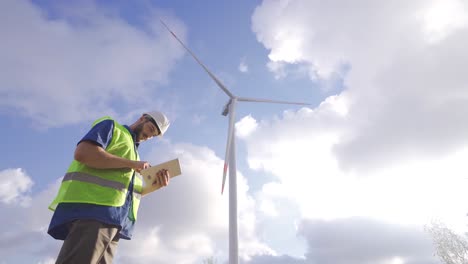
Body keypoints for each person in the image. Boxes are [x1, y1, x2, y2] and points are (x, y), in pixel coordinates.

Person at [47, 111, 171, 264]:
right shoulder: (112, 127)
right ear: (142, 118)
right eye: (150, 129)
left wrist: (156, 186)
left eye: (153, 135)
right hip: (94, 212)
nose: (148, 136)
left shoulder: (136, 156)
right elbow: (83, 153)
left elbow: (128, 195)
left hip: (115, 223)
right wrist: (131, 164)